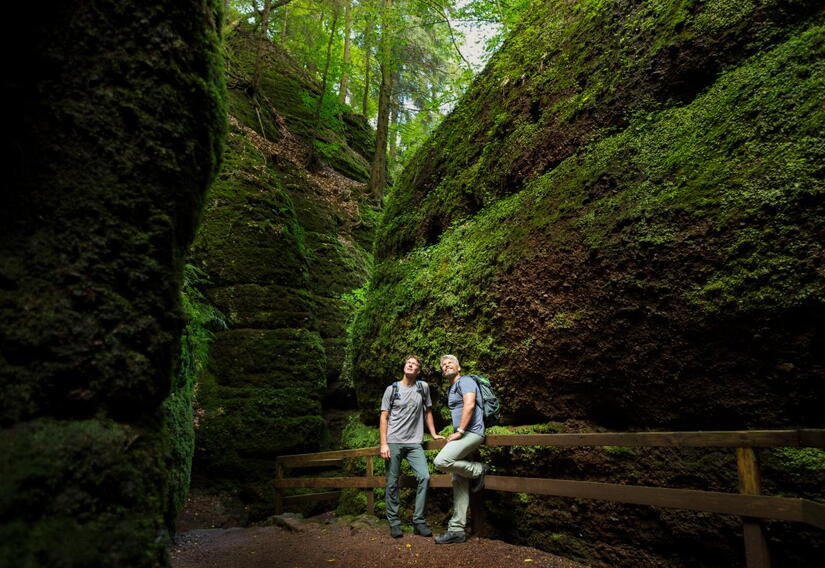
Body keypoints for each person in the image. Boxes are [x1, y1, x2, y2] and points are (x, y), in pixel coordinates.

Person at [380, 355, 445, 538]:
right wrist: (383, 443)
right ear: (404, 366)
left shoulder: (423, 388)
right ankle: (394, 522)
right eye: (409, 362)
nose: (411, 365)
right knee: (392, 483)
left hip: (415, 442)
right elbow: (384, 417)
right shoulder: (391, 389)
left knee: (424, 477)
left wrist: (433, 434)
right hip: (393, 441)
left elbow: (428, 411)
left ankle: (419, 521)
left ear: (417, 371)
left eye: (415, 364)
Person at [432, 354, 490, 544]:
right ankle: (456, 530)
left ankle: (479, 469)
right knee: (458, 480)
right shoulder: (452, 388)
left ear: (459, 368)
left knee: (441, 461)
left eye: (450, 363)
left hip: (472, 433)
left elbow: (470, 404)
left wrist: (460, 431)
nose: (446, 365)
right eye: (443, 365)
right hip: (464, 435)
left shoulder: (465, 381)